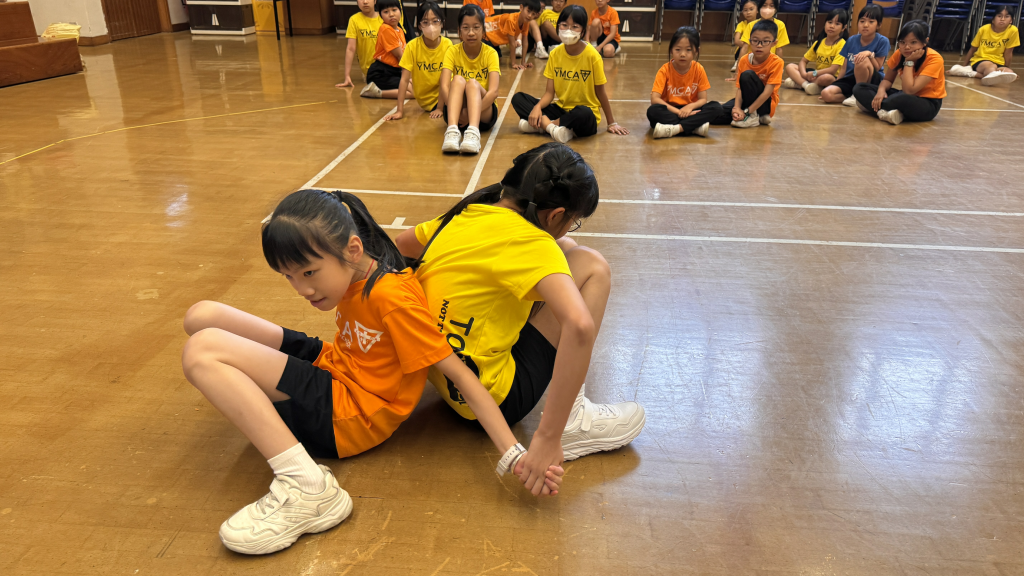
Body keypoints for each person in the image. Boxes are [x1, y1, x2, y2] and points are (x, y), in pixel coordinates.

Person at [181, 190, 563, 555]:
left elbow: (462, 377)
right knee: (201, 316)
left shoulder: (392, 299)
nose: (301, 289)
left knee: (203, 350)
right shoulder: (357, 271)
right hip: (335, 366)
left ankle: (308, 487)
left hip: (351, 414)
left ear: (352, 249)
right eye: (290, 277)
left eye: (309, 272)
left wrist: (514, 455)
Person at [394, 143, 647, 480]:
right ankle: (572, 423)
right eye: (572, 221)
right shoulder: (529, 242)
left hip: (445, 374)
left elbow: (402, 245)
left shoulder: (468, 212)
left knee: (566, 248)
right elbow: (580, 327)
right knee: (593, 267)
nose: (569, 226)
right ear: (555, 214)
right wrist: (547, 438)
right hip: (496, 400)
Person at [512, 4, 629, 143]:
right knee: (518, 99)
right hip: (561, 109)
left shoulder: (593, 56)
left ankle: (545, 126)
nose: (568, 30)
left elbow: (601, 92)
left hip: (584, 114)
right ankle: (557, 129)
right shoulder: (555, 54)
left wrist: (611, 123)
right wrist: (537, 107)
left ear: (583, 31)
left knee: (584, 113)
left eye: (575, 27)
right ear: (558, 26)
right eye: (564, 25)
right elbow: (549, 93)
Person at [853, 19, 945, 125]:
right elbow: (888, 80)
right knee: (859, 88)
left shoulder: (935, 59)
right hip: (903, 94)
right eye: (902, 42)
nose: (907, 47)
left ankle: (874, 108)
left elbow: (909, 91)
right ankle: (891, 113)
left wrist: (909, 62)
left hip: (927, 103)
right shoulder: (899, 53)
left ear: (925, 42)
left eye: (913, 42)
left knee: (901, 99)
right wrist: (880, 91)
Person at [440, 4, 501, 154]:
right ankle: (452, 131)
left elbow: (493, 92)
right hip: (457, 113)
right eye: (466, 28)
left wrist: (470, 115)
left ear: (483, 30)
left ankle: (473, 132)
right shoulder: (452, 51)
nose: (471, 33)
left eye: (476, 27)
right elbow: (444, 86)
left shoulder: (491, 53)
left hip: (484, 113)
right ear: (459, 31)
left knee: (472, 84)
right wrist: (457, 111)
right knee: (457, 80)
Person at [647, 26, 723, 138]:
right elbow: (655, 99)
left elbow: (703, 99)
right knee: (653, 111)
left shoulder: (699, 69)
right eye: (678, 50)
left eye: (688, 50)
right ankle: (694, 127)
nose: (683, 54)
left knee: (716, 107)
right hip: (671, 110)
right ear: (671, 50)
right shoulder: (665, 70)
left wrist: (690, 107)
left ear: (696, 51)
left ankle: (677, 129)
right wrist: (678, 112)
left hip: (692, 109)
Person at [384, 2, 453, 122]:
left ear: (442, 23)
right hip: (426, 101)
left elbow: (446, 80)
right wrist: (399, 110)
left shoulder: (448, 45)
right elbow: (404, 80)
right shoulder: (412, 47)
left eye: (435, 21)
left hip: (447, 96)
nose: (431, 26)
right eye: (425, 22)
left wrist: (440, 108)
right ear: (419, 25)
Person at [713, 19, 783, 128]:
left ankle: (754, 116)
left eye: (765, 41)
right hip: (746, 100)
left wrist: (747, 111)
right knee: (717, 113)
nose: (759, 45)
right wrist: (737, 108)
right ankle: (756, 117)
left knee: (748, 75)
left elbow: (767, 93)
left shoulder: (777, 62)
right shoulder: (744, 60)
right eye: (755, 41)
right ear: (750, 41)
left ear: (774, 43)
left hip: (766, 104)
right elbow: (740, 89)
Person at [819, 3, 888, 106]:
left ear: (878, 25)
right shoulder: (851, 40)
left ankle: (857, 95)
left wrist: (869, 55)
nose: (865, 25)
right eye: (862, 21)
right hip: (851, 78)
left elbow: (878, 67)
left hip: (872, 80)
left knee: (862, 59)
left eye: (871, 22)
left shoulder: (882, 41)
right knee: (826, 94)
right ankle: (856, 97)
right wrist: (837, 83)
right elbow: (844, 68)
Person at [949, 5, 1019, 85]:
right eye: (999, 16)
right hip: (981, 60)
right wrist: (964, 66)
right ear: (993, 19)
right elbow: (973, 49)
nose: (1002, 19)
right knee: (991, 67)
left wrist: (1007, 68)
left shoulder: (1013, 31)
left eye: (1007, 16)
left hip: (999, 61)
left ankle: (975, 74)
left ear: (1011, 20)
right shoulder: (984, 29)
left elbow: (1008, 52)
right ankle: (973, 73)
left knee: (1009, 72)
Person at [783, 8, 847, 95]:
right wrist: (804, 74)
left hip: (830, 76)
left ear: (844, 28)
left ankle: (800, 83)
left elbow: (832, 70)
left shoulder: (842, 45)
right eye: (830, 22)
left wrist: (814, 73)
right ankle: (806, 85)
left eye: (837, 24)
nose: (832, 26)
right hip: (816, 74)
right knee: (790, 66)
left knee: (825, 78)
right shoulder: (819, 42)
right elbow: (803, 61)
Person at [361, 0, 406, 99]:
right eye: (386, 12)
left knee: (415, 89)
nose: (391, 14)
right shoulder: (386, 29)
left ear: (400, 11)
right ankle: (377, 93)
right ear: (380, 15)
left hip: (394, 71)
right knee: (414, 91)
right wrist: (409, 77)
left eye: (394, 10)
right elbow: (400, 56)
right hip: (382, 73)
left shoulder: (399, 30)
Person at [483, 0, 542, 69]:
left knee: (497, 59)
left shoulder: (526, 22)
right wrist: (513, 64)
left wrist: (523, 62)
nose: (530, 15)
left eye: (533, 14)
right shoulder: (511, 20)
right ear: (521, 8)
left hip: (493, 41)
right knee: (490, 62)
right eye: (528, 11)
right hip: (484, 34)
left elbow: (525, 42)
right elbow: (512, 44)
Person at [336, 0, 381, 88]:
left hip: (387, 67)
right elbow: (350, 49)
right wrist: (347, 76)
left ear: (375, 1)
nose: (365, 2)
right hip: (369, 71)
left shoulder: (384, 18)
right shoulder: (354, 20)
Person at [732, 0, 759, 73]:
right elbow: (736, 41)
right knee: (744, 46)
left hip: (757, 50)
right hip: (743, 51)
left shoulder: (760, 24)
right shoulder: (741, 24)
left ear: (757, 10)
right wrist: (748, 45)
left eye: (751, 9)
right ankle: (738, 62)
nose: (748, 12)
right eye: (745, 10)